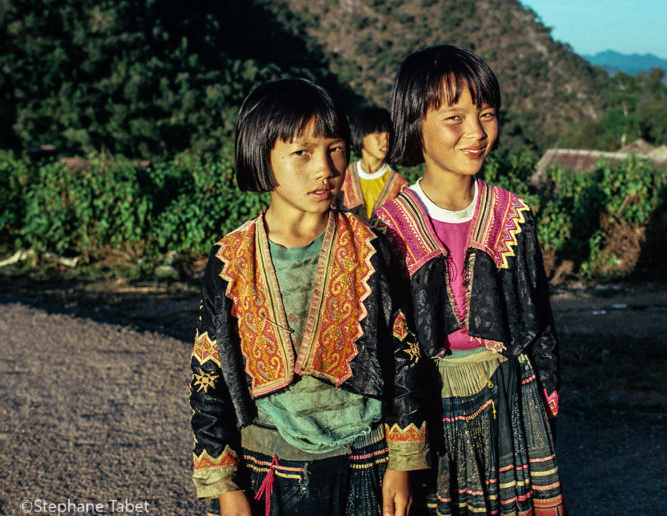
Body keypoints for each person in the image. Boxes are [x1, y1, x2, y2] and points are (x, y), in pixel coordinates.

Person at [189, 78, 429, 516]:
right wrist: (225, 485)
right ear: (262, 158)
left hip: (367, 463)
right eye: (302, 152)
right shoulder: (232, 259)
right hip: (269, 466)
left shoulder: (370, 248)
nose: (326, 168)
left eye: (335, 149)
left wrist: (403, 461)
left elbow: (404, 356)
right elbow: (210, 375)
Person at [372, 45, 566, 515]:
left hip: (508, 396)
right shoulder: (389, 226)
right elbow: (384, 343)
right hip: (427, 403)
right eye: (454, 118)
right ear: (415, 125)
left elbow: (538, 318)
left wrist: (546, 401)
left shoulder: (514, 214)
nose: (476, 132)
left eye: (486, 114)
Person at [338, 106, 408, 220]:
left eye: (388, 136)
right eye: (378, 135)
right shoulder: (342, 180)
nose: (385, 141)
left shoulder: (399, 186)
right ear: (362, 135)